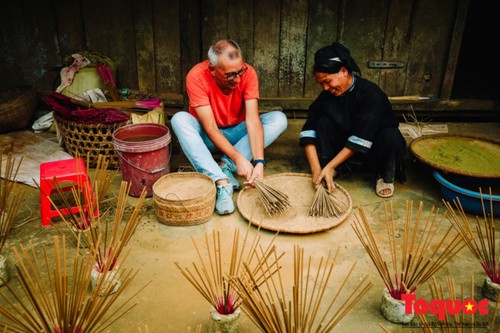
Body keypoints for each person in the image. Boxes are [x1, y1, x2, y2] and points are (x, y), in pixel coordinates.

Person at [171, 39, 288, 215]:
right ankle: (220, 181)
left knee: (278, 119)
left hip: (237, 133)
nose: (238, 79)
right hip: (208, 136)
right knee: (179, 119)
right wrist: (240, 159)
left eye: (240, 71)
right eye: (231, 75)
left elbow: (253, 121)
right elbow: (210, 129)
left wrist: (259, 162)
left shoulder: (248, 74)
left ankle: (225, 165)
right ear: (212, 69)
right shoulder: (196, 76)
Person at [299, 41, 406, 198]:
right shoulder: (326, 96)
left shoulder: (371, 94)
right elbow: (309, 130)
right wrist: (316, 170)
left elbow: (362, 136)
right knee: (323, 122)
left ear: (343, 71)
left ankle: (383, 175)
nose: (325, 88)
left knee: (392, 136)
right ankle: (335, 168)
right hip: (347, 147)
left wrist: (328, 167)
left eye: (327, 81)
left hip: (374, 148)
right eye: (321, 84)